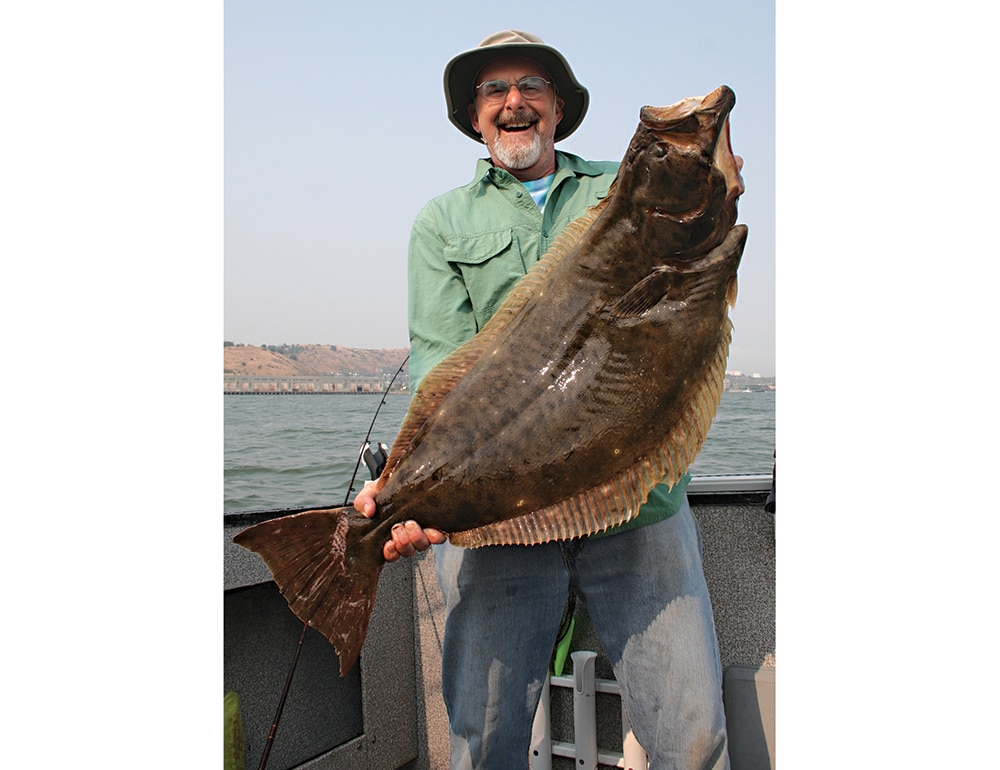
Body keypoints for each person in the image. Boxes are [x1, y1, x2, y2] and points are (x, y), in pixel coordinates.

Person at [356, 30, 733, 770]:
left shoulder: (616, 192)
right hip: (498, 534)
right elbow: (440, 365)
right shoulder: (442, 224)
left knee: (693, 738)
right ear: (475, 116)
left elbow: (688, 298)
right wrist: (412, 494)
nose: (514, 102)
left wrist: (709, 176)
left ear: (559, 108)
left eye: (531, 86)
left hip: (642, 510)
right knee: (484, 739)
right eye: (494, 91)